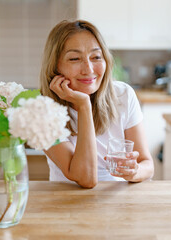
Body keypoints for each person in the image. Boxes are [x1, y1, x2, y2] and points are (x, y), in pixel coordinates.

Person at [40, 20, 154, 188]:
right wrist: (84, 106)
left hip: (117, 197)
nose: (89, 69)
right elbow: (86, 178)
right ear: (55, 66)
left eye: (96, 57)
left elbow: (147, 164)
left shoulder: (123, 95)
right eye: (74, 58)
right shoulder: (42, 110)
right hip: (66, 201)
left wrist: (134, 171)